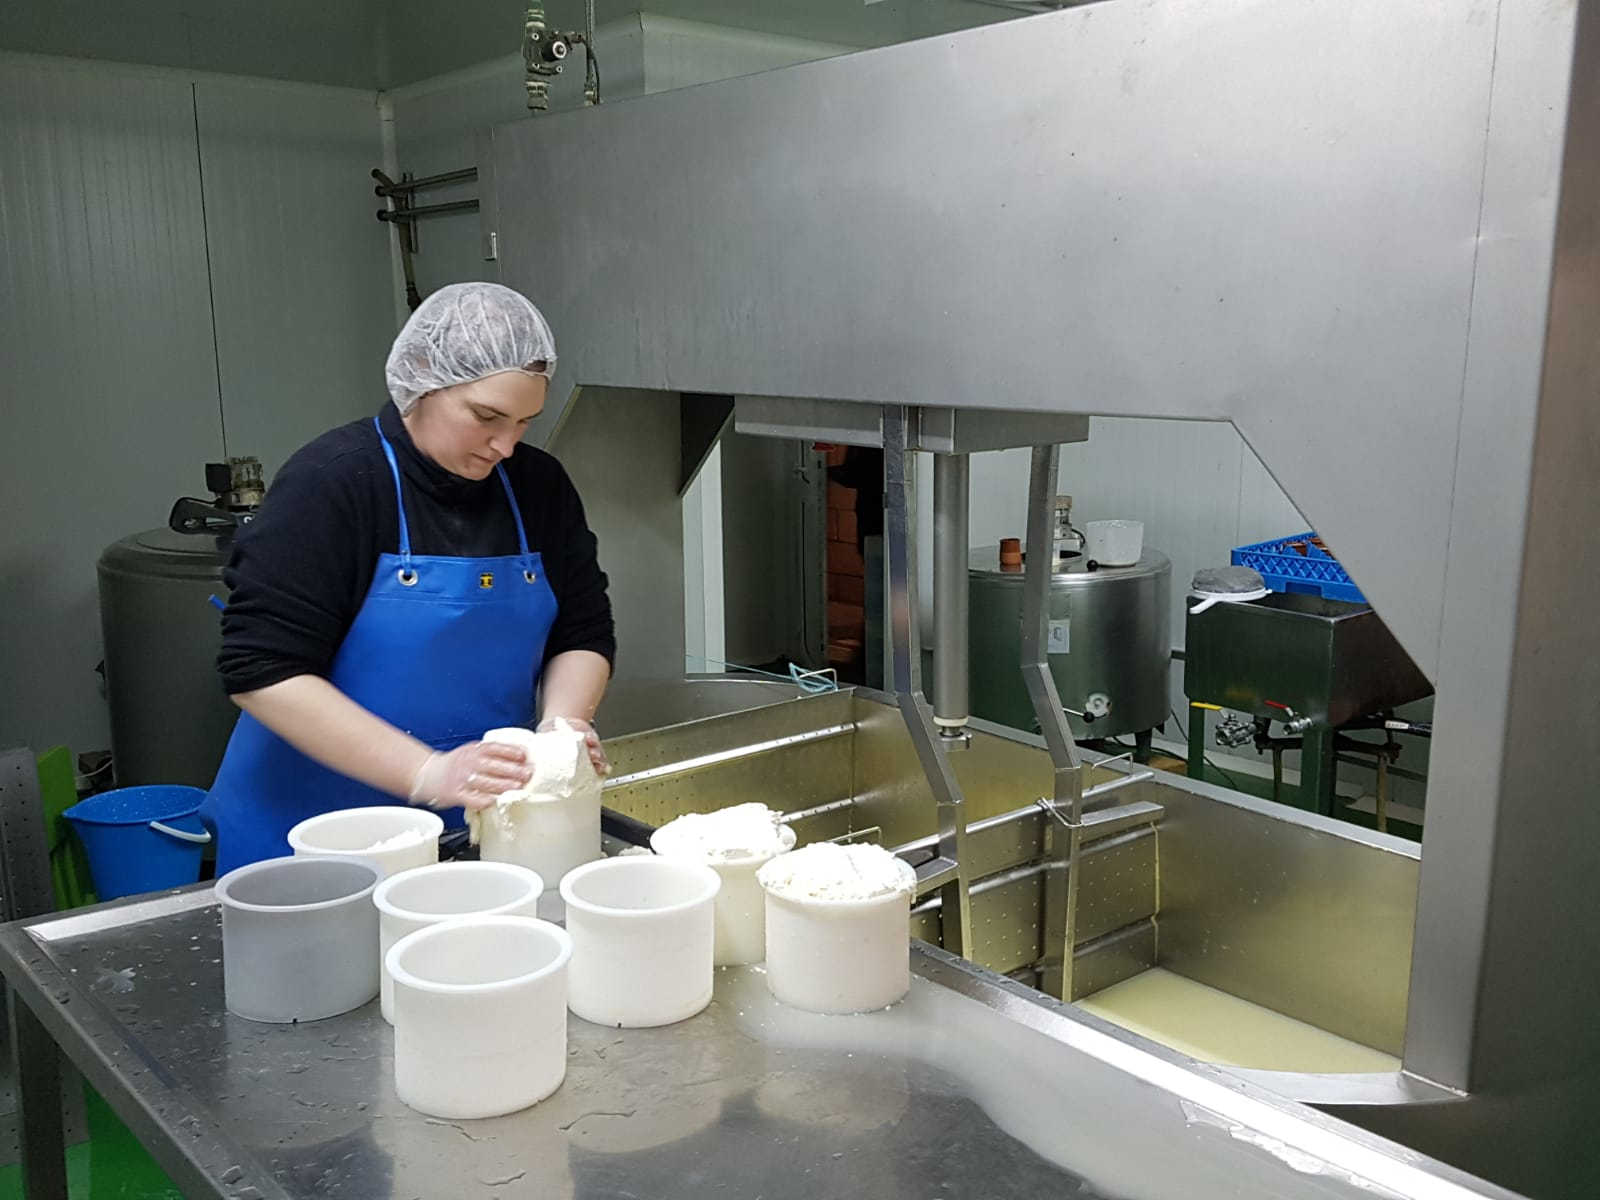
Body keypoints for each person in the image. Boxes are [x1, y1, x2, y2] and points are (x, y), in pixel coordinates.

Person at [201, 283, 615, 873]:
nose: (505, 445)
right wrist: (427, 771)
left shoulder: (537, 484)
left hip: (469, 834)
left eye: (524, 422)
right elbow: (261, 671)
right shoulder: (333, 483)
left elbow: (583, 630)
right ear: (421, 378)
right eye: (486, 416)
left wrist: (562, 730)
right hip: (307, 841)